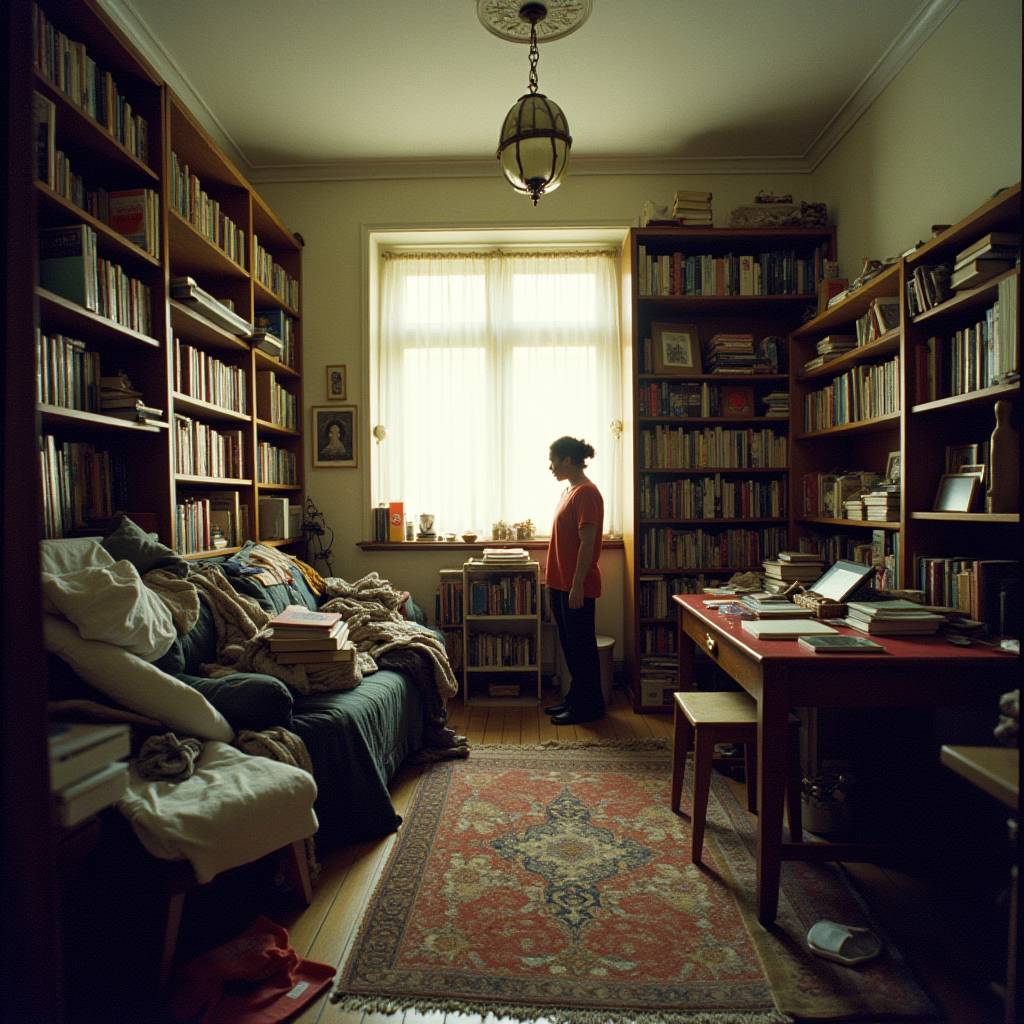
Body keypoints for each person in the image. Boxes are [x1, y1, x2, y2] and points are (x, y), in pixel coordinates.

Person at [544, 436, 604, 725]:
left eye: (553, 460)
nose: (550, 466)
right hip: (560, 584)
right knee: (570, 645)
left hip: (575, 585)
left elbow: (588, 543)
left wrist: (578, 584)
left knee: (582, 647)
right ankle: (576, 698)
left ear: (567, 460)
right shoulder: (569, 491)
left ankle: (590, 706)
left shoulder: (586, 493)